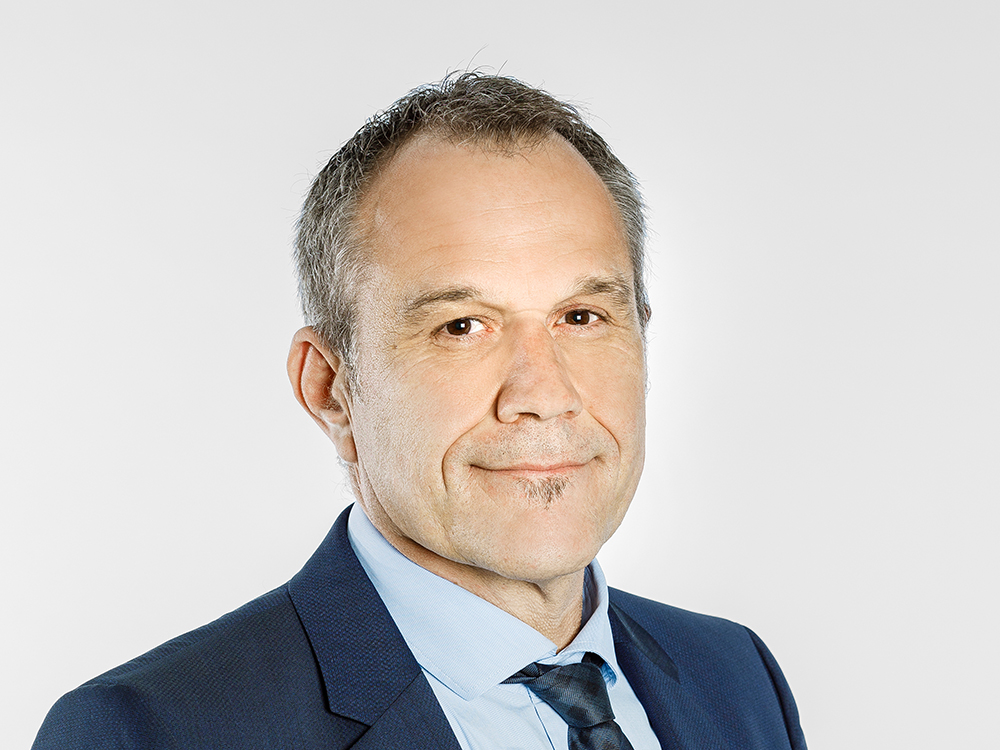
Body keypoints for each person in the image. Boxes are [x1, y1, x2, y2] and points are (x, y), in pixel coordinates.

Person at [33, 73, 807, 750]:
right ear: (330, 388)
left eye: (581, 317)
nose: (544, 395)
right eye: (461, 326)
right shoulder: (153, 731)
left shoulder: (735, 678)